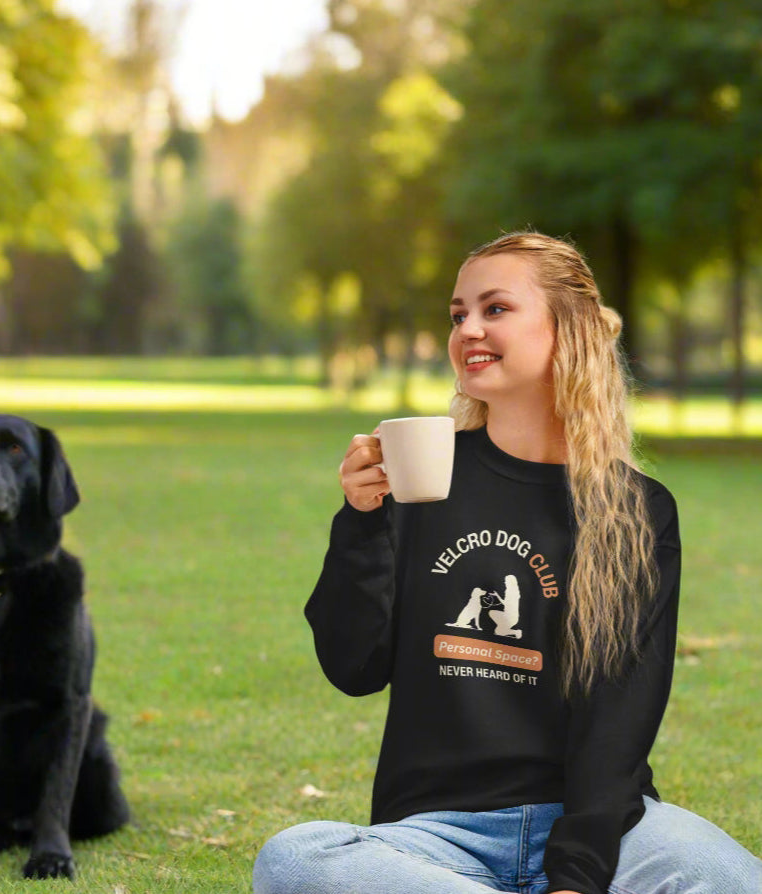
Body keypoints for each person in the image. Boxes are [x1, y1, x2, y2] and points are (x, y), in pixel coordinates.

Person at [253, 232, 762, 894]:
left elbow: (621, 716)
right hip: (437, 838)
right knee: (293, 859)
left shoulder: (637, 509)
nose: (468, 329)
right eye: (458, 313)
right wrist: (361, 522)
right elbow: (354, 667)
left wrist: (576, 878)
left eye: (495, 309)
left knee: (723, 874)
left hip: (605, 831)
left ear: (568, 330)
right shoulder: (419, 479)